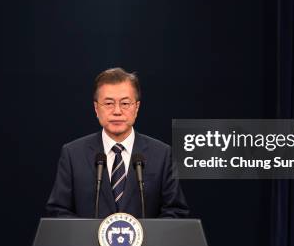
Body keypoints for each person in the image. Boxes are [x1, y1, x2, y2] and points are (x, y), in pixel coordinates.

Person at [46, 68, 189, 218]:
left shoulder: (161, 154)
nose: (117, 111)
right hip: (86, 242)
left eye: (125, 103)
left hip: (146, 242)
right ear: (96, 108)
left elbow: (176, 212)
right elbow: (58, 211)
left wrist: (144, 237)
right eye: (108, 103)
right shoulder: (73, 154)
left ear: (136, 108)